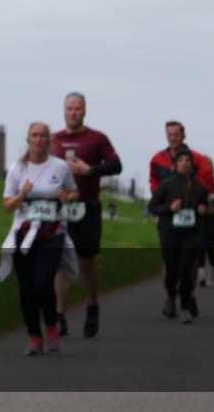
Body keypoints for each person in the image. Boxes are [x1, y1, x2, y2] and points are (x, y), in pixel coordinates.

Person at [0, 122, 79, 355]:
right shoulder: (17, 168)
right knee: (26, 289)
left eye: (43, 135)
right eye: (34, 135)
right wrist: (23, 193)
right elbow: (7, 206)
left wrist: (68, 197)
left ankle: (51, 326)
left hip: (52, 233)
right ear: (28, 139)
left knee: (42, 283)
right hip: (23, 233)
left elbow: (75, 192)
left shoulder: (60, 167)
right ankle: (34, 336)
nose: (39, 139)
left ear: (49, 140)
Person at [51, 92, 122, 338]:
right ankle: (59, 315)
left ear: (84, 111)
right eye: (69, 108)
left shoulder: (97, 138)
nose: (73, 112)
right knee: (61, 261)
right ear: (64, 110)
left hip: (87, 208)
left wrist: (89, 170)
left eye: (77, 108)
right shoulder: (54, 140)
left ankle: (92, 307)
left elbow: (116, 165)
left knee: (86, 263)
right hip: (60, 209)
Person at [149, 120, 214, 317]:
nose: (173, 138)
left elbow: (207, 180)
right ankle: (170, 296)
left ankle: (189, 295)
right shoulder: (158, 159)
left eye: (176, 134)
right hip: (167, 215)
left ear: (183, 135)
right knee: (169, 262)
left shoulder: (197, 158)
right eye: (169, 134)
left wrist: (193, 195)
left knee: (189, 262)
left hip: (191, 218)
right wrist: (164, 199)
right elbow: (153, 181)